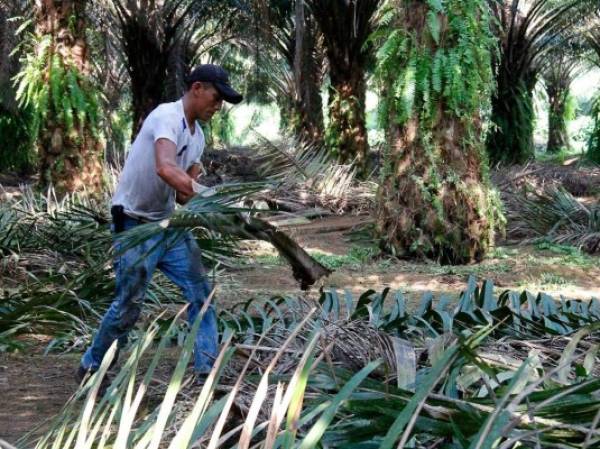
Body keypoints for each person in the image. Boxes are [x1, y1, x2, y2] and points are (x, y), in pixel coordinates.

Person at [76, 64, 243, 383]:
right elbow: (165, 169)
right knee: (129, 305)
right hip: (134, 225)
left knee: (201, 294)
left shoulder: (198, 138)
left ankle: (207, 369)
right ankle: (92, 366)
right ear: (197, 88)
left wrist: (224, 210)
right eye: (216, 96)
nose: (218, 105)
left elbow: (183, 196)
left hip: (166, 227)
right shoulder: (166, 117)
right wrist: (208, 194)